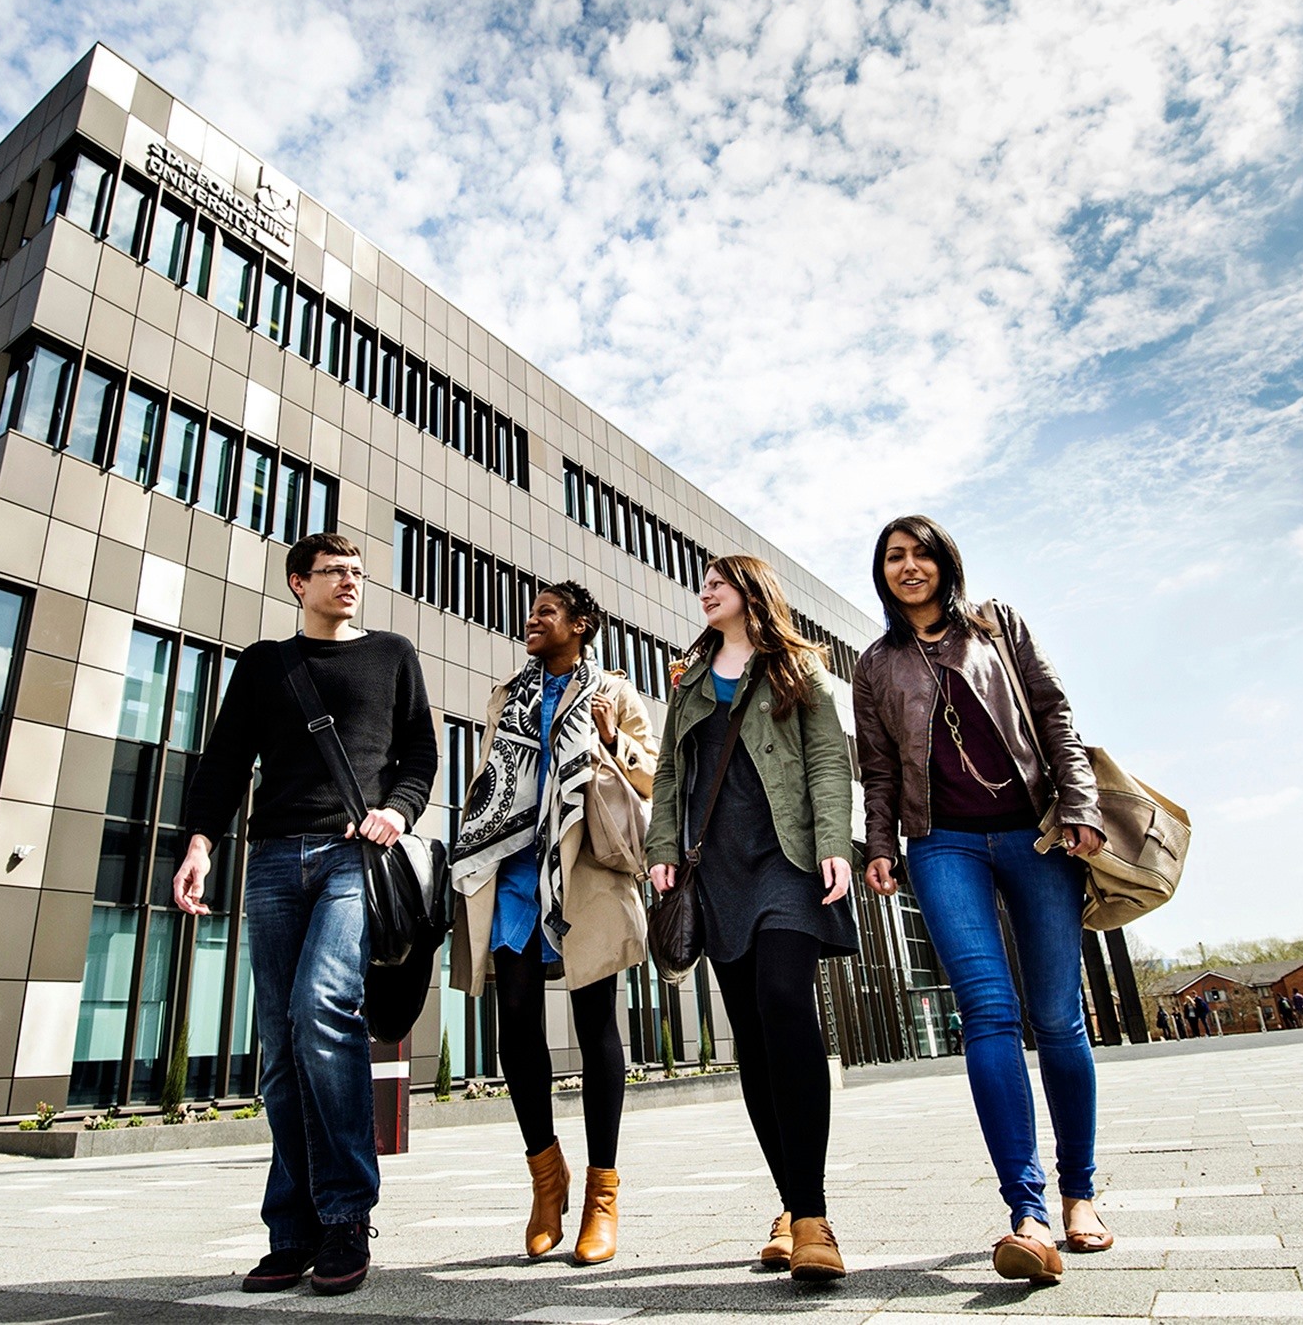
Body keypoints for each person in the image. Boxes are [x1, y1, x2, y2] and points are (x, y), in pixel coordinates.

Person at [173, 532, 438, 1298]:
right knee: (281, 1047)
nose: (350, 582)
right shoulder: (264, 665)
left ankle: (347, 1213)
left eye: (357, 572)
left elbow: (419, 756)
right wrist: (199, 846)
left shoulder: (392, 654)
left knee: (324, 1009)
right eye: (334, 572)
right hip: (274, 863)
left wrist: (397, 810)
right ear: (299, 583)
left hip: (354, 858)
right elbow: (224, 760)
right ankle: (291, 1231)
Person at [852, 515, 1111, 1284]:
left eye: (921, 553)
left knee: (1059, 1019)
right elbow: (877, 768)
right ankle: (1027, 1212)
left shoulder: (1000, 627)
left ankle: (1079, 1195)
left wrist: (1081, 806)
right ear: (882, 573)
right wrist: (878, 847)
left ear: (944, 563)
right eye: (894, 557)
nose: (909, 566)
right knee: (988, 1014)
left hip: (1036, 835)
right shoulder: (876, 664)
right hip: (942, 845)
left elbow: (1055, 714)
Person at [647, 554, 859, 1283]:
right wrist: (661, 850)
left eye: (719, 581)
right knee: (754, 1043)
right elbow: (671, 773)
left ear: (753, 594)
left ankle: (812, 1216)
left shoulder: (801, 670)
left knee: (783, 1004)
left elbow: (830, 761)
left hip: (788, 860)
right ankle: (791, 1205)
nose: (705, 591)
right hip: (718, 871)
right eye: (702, 584)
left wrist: (834, 843)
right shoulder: (689, 680)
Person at [450, 582, 657, 1265]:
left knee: (595, 1019)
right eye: (532, 612)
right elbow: (492, 778)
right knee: (515, 1024)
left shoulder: (615, 693)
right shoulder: (510, 693)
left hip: (583, 867)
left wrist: (609, 740)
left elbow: (654, 776)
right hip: (513, 871)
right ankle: (546, 1177)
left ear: (581, 624)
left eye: (547, 613)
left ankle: (602, 1194)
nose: (532, 621)